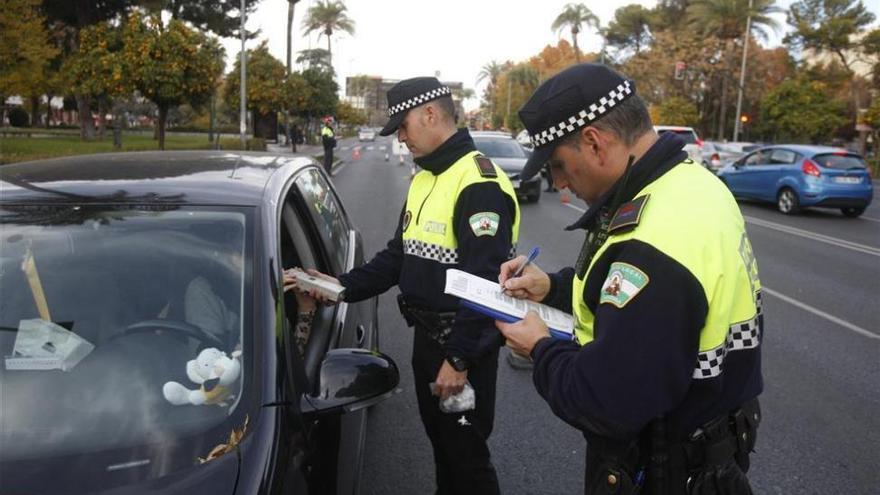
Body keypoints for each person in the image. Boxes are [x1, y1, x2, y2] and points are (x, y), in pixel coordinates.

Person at [495, 64, 763, 494]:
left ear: (595, 142)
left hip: (665, 470)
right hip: (709, 450)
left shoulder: (656, 238)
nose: (561, 185)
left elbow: (606, 402)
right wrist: (554, 287)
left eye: (559, 166)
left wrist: (539, 348)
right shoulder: (692, 184)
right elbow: (636, 302)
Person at [289, 77, 520, 495]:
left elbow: (486, 285)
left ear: (430, 114)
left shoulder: (478, 185)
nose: (400, 136)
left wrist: (459, 358)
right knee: (444, 446)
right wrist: (339, 286)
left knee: (467, 457)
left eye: (403, 125)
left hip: (460, 348)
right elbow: (400, 256)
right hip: (429, 343)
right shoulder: (426, 178)